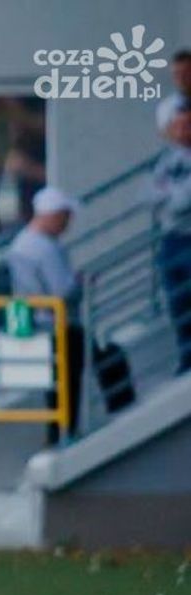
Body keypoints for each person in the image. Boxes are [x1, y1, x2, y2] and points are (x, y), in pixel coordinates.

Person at [5, 186, 87, 438]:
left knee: (54, 385)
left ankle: (57, 433)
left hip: (35, 322)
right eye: (65, 217)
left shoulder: (20, 243)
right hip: (60, 323)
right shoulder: (46, 248)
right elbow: (62, 289)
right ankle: (66, 431)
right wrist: (80, 283)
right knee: (69, 380)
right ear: (54, 215)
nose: (67, 224)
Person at [151, 98, 191, 373]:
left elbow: (181, 201)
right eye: (178, 126)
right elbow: (147, 195)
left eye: (187, 125)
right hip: (172, 239)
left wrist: (169, 194)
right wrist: (170, 196)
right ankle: (186, 358)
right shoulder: (166, 160)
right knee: (178, 302)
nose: (183, 132)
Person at [153, 49, 191, 136]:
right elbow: (166, 134)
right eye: (177, 74)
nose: (181, 78)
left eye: (186, 73)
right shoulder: (167, 107)